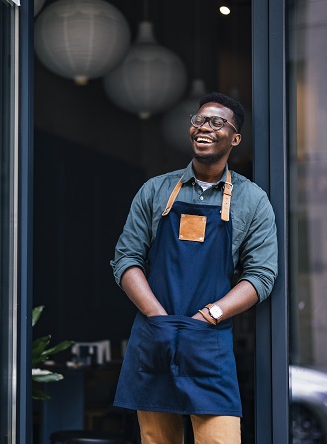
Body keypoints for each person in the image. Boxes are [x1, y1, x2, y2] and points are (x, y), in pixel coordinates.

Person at [110, 92, 278, 443]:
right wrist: (156, 316)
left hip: (207, 340)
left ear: (235, 139)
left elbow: (261, 276)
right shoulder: (155, 191)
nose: (204, 127)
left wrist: (211, 315)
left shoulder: (252, 200)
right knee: (157, 440)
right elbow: (126, 259)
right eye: (199, 120)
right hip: (155, 335)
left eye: (217, 122)